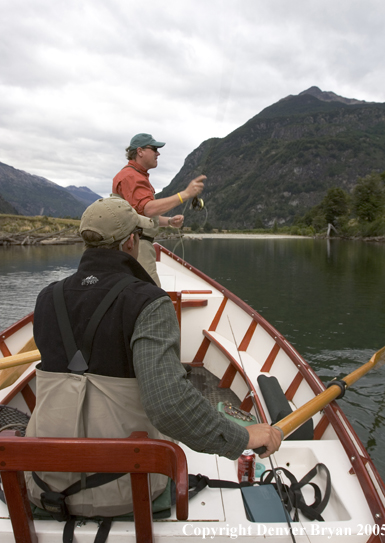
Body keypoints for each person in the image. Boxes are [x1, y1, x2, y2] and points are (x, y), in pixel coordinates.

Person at [25, 196, 282, 521]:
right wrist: (243, 437)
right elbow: (168, 405)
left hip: (42, 481)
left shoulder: (46, 298)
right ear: (131, 241)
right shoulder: (149, 302)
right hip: (123, 490)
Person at [113, 132, 206, 286]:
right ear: (140, 151)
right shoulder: (131, 177)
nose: (158, 153)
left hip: (137, 244)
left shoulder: (135, 175)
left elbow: (140, 214)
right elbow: (148, 209)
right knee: (152, 295)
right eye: (154, 149)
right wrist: (185, 194)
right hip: (138, 246)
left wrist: (169, 221)